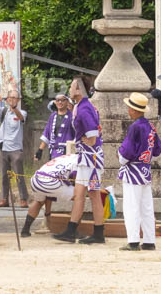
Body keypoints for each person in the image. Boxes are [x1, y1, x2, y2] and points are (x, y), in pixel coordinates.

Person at [54, 76, 106, 244]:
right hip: (88, 157)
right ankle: (72, 229)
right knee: (81, 194)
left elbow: (92, 134)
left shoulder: (84, 109)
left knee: (93, 195)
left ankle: (96, 233)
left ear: (78, 90)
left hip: (91, 158)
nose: (70, 89)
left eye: (71, 86)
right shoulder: (83, 106)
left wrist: (85, 140)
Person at [117, 92, 161, 251]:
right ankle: (149, 241)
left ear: (134, 110)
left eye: (130, 107)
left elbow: (126, 152)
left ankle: (133, 241)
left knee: (131, 206)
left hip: (133, 171)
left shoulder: (135, 127)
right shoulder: (150, 126)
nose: (128, 110)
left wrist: (120, 156)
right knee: (147, 207)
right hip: (145, 170)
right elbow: (157, 150)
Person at [20, 153, 80, 237]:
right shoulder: (79, 160)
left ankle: (25, 230)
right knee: (79, 197)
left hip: (36, 179)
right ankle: (72, 230)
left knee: (39, 202)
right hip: (51, 181)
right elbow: (76, 179)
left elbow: (49, 195)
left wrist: (48, 213)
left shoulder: (64, 157)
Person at [0, 90, 28, 207]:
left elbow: (21, 117)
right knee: (4, 175)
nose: (12, 99)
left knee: (19, 175)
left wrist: (15, 108)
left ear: (18, 100)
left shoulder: (22, 112)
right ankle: (4, 199)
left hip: (16, 148)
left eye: (15, 98)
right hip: (3, 147)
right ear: (7, 99)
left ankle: (23, 199)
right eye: (10, 97)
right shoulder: (4, 111)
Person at [36, 93, 73, 162]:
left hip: (67, 152)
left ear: (67, 102)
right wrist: (40, 150)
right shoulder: (52, 116)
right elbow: (47, 133)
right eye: (58, 100)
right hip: (53, 152)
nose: (60, 102)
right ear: (55, 102)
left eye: (62, 100)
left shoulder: (72, 117)